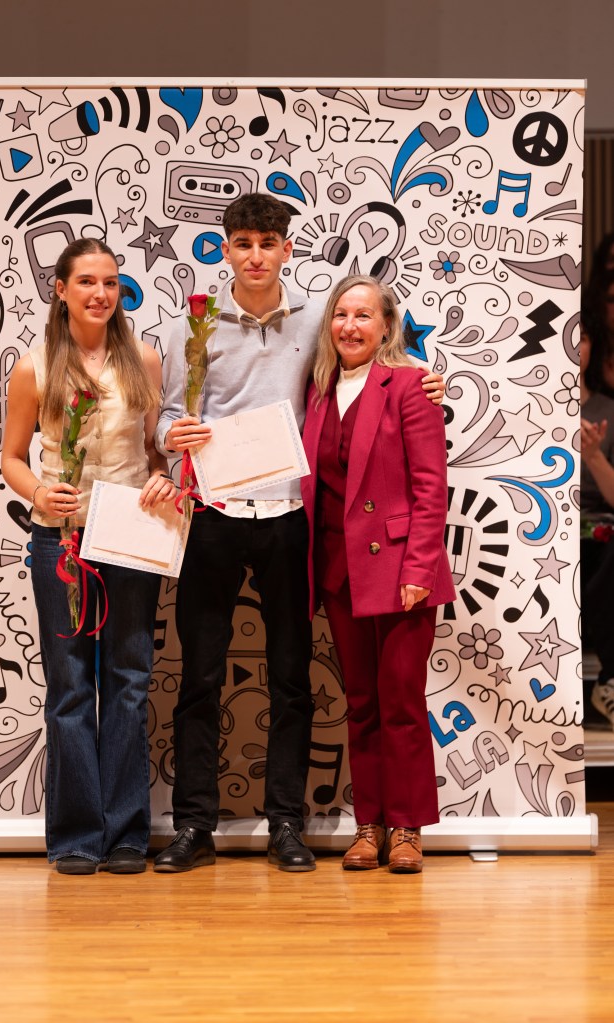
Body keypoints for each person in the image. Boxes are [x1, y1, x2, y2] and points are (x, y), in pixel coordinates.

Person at [153, 193, 445, 873]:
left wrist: (427, 380)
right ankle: (193, 825)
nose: (255, 256)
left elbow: (381, 357)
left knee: (292, 677)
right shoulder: (190, 327)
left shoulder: (319, 318)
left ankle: (287, 823)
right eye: (242, 244)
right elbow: (167, 415)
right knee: (199, 677)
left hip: (291, 521)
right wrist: (174, 436)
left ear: (287, 250)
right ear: (225, 250)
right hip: (213, 516)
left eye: (267, 244)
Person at [2, 237, 177, 875]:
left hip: (130, 536)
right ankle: (76, 836)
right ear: (61, 290)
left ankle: (127, 833)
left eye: (110, 283)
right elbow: (12, 458)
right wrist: (38, 492)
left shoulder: (145, 361)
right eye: (86, 282)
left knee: (128, 682)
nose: (101, 293)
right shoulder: (34, 368)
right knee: (71, 685)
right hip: (61, 537)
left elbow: (155, 452)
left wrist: (164, 477)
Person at [300, 275, 456, 874]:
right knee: (361, 702)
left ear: (386, 326)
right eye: (341, 315)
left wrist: (419, 566)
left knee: (401, 701)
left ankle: (407, 829)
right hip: (338, 569)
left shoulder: (411, 385)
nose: (351, 326)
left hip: (399, 570)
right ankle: (368, 825)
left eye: (364, 315)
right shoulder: (317, 390)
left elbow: (430, 487)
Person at [578, 312, 614, 728]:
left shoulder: (608, 411)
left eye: (583, 337)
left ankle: (608, 680)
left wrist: (594, 456)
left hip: (598, 534)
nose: (574, 346)